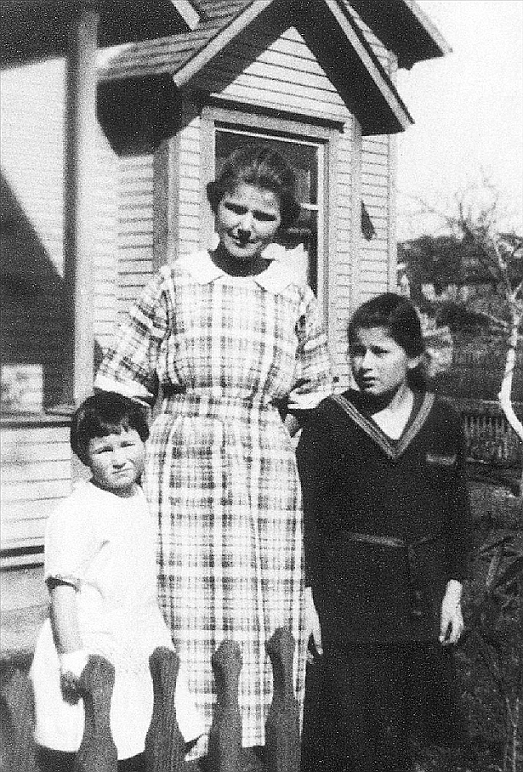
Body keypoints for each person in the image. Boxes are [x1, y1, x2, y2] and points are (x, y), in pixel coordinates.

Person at [94, 143, 332, 758]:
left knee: (259, 613)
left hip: (265, 471)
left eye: (264, 217)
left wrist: (275, 452)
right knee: (175, 602)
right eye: (235, 209)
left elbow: (313, 399)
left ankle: (253, 748)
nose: (246, 226)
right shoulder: (176, 281)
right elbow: (120, 385)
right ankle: (175, 739)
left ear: (283, 225)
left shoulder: (294, 296)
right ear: (214, 206)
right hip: (180, 462)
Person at [296, 293, 472, 772]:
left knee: (418, 741)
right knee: (353, 743)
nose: (363, 364)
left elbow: (457, 513)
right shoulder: (329, 422)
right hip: (350, 606)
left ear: (412, 356)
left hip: (423, 602)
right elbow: (308, 520)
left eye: (380, 352)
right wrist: (309, 603)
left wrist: (452, 594)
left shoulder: (442, 420)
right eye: (356, 351)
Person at [30, 392, 204, 772]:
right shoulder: (76, 512)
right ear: (83, 455)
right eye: (103, 449)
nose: (119, 458)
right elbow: (62, 590)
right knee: (93, 742)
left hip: (136, 632)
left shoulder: (142, 498)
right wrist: (72, 656)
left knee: (139, 739)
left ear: (144, 441)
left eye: (128, 443)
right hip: (91, 637)